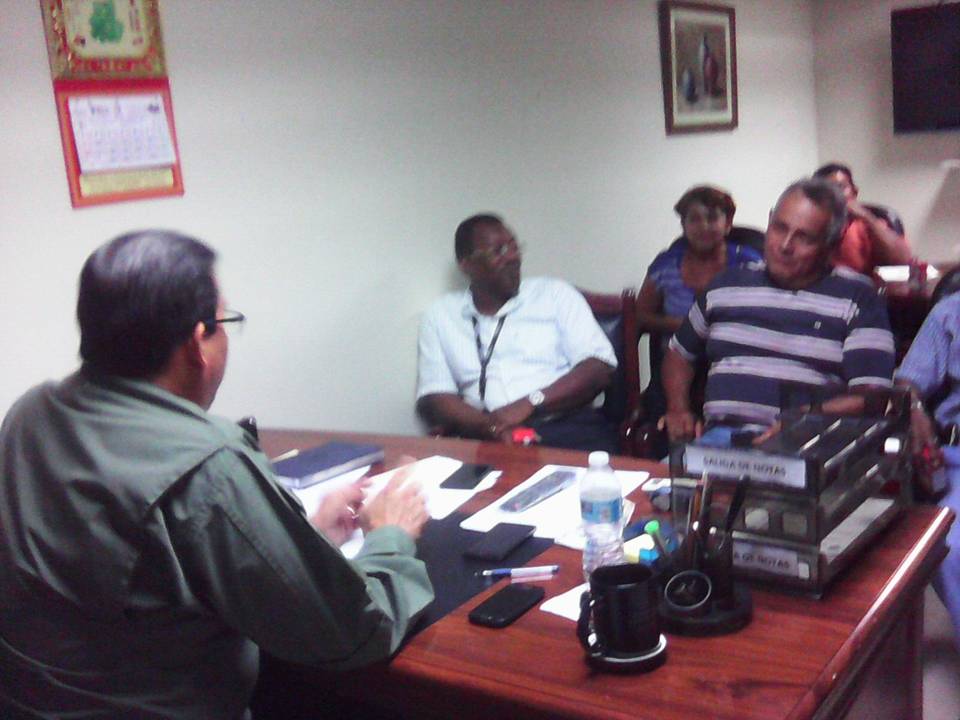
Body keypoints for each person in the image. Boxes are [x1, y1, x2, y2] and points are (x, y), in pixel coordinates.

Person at [0, 231, 433, 719]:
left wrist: (299, 540)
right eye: (225, 323)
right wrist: (391, 536)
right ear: (197, 343)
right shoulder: (208, 462)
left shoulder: (30, 415)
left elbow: (125, 573)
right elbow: (353, 633)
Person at [661, 178, 895, 443]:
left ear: (831, 243)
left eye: (804, 237)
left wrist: (803, 422)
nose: (785, 246)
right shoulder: (726, 285)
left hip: (808, 443)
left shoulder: (858, 297)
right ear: (770, 220)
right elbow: (678, 353)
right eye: (779, 228)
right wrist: (678, 408)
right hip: (721, 442)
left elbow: (873, 396)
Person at [416, 213, 619, 452]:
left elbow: (598, 368)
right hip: (484, 437)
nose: (513, 257)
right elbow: (435, 396)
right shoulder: (441, 315)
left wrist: (531, 403)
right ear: (467, 265)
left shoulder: (554, 295)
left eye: (514, 247)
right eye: (499, 251)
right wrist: (490, 427)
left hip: (564, 427)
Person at [636, 185, 762, 422]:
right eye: (694, 219)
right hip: (674, 365)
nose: (704, 226)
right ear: (684, 225)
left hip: (733, 365)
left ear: (727, 223)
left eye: (712, 218)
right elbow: (640, 316)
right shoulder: (666, 265)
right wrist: (688, 327)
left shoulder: (750, 264)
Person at [895, 291, 960, 650]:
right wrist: (915, 409)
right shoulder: (951, 312)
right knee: (950, 544)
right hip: (958, 456)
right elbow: (907, 384)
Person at [813, 162, 912, 276]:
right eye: (826, 191)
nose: (834, 195)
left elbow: (903, 260)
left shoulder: (868, 223)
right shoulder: (811, 225)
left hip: (862, 284)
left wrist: (866, 217)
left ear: (854, 192)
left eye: (840, 187)